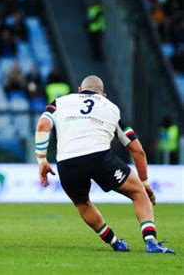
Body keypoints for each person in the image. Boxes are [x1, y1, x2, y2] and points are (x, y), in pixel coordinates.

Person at [35, 75, 175, 253]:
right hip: (99, 157)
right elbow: (137, 151)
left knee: (83, 203)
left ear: (79, 89)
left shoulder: (60, 102)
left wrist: (42, 160)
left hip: (67, 162)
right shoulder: (111, 108)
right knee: (139, 193)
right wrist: (145, 183)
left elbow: (42, 125)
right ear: (103, 94)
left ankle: (116, 242)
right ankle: (151, 242)